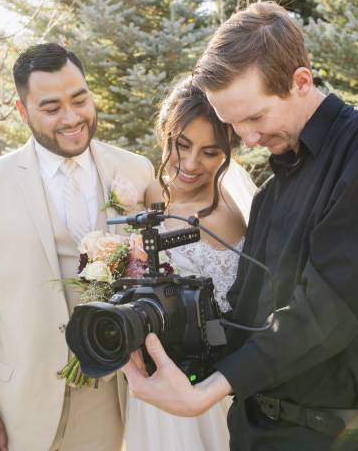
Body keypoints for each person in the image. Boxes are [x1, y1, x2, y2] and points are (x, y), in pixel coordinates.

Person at [122, 2, 358, 451]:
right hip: (252, 430)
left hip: (330, 437)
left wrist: (208, 392)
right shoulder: (270, 194)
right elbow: (247, 318)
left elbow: (330, 305)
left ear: (301, 81)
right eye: (233, 125)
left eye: (255, 117)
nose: (246, 139)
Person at [0, 43, 154, 451]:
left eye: (80, 99)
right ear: (23, 113)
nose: (72, 118)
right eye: (52, 108)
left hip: (118, 398)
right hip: (21, 405)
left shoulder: (135, 170)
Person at [124, 77, 256, 451]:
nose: (191, 163)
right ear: (166, 134)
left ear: (228, 153)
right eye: (182, 145)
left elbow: (231, 314)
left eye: (210, 152)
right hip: (151, 381)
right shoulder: (152, 193)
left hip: (197, 384)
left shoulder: (223, 217)